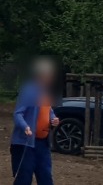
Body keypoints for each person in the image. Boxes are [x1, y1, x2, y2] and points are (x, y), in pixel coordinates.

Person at [11, 57, 59, 185]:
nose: (50, 78)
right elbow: (18, 114)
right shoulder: (28, 90)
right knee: (24, 177)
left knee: (45, 176)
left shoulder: (45, 91)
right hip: (27, 143)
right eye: (48, 74)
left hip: (43, 143)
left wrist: (53, 119)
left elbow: (48, 110)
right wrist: (25, 127)